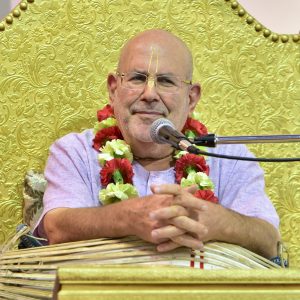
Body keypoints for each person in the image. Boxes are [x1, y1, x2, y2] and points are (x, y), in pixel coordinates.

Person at [34, 29, 280, 259]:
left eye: (165, 81)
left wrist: (218, 221)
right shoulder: (74, 151)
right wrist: (126, 218)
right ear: (113, 88)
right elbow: (57, 227)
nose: (149, 94)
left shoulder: (231, 156)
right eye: (138, 78)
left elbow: (269, 241)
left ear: (191, 97)